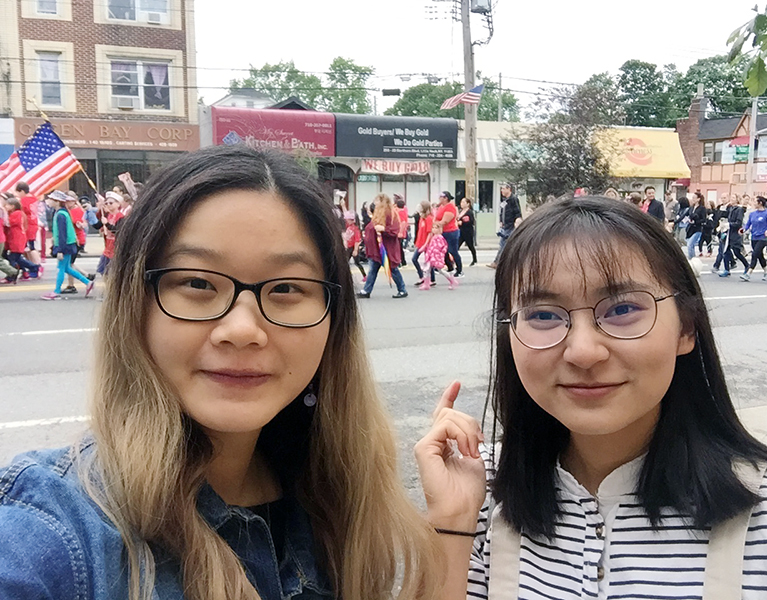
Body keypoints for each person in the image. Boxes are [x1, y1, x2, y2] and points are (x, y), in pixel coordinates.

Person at [0, 146, 442, 599]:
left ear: (335, 321)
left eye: (287, 287)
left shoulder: (340, 500)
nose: (243, 330)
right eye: (197, 283)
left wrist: (453, 522)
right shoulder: (55, 524)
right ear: (134, 306)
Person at [415, 196, 767, 600]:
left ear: (686, 328)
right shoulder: (479, 493)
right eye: (543, 315)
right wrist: (451, 521)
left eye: (623, 309)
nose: (583, 351)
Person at [40, 191, 95, 300]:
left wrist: (60, 249)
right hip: (69, 244)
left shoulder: (60, 214)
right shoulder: (62, 212)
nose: (49, 201)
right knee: (67, 268)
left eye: (51, 199)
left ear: (57, 202)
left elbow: (62, 234)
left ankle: (56, 291)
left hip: (65, 245)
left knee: (61, 267)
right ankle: (88, 282)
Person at [357, 193, 408, 299]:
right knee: (373, 270)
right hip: (377, 247)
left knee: (393, 269)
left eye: (377, 201)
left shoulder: (391, 214)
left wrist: (384, 229)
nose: (375, 203)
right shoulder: (378, 213)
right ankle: (366, 290)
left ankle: (402, 289)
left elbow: (394, 230)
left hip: (386, 248)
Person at [740, 196, 767, 281]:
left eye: (755, 201)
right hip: (754, 237)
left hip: (763, 237)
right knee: (759, 255)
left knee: (754, 254)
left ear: (760, 203)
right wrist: (744, 229)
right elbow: (748, 224)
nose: (753, 203)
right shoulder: (753, 214)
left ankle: (748, 273)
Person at [4, 197, 39, 280]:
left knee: (13, 258)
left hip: (17, 238)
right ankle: (29, 269)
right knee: (18, 258)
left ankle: (12, 275)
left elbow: (9, 222)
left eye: (7, 205)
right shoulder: (19, 213)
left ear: (12, 206)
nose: (6, 207)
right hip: (17, 238)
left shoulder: (17, 214)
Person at [488, 183, 521, 269]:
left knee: (506, 244)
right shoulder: (504, 200)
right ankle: (498, 262)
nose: (501, 191)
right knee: (503, 244)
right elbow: (502, 212)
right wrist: (501, 221)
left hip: (511, 226)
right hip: (505, 225)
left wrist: (517, 221)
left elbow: (517, 212)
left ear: (509, 189)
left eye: (503, 189)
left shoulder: (513, 199)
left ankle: (500, 262)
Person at [418, 222, 458, 291]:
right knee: (427, 270)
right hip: (431, 256)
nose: (433, 229)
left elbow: (440, 248)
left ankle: (452, 280)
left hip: (436, 256)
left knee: (440, 270)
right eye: (433, 228)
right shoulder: (434, 237)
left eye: (435, 228)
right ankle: (426, 284)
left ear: (439, 229)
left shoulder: (439, 238)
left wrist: (436, 254)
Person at [14, 181, 42, 269]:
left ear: (22, 191)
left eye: (18, 192)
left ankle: (37, 265)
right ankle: (33, 266)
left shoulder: (23, 200)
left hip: (28, 225)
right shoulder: (34, 198)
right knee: (29, 247)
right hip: (34, 223)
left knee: (31, 248)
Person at [435, 191, 462, 277]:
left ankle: (459, 270)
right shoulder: (441, 207)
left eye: (441, 197)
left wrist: (436, 224)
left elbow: (445, 221)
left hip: (451, 232)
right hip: (443, 232)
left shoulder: (450, 207)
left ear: (446, 198)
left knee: (453, 251)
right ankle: (450, 267)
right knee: (443, 251)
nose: (439, 198)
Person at [412, 200, 436, 287]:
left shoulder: (428, 218)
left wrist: (426, 244)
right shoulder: (422, 218)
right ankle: (422, 276)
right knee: (416, 259)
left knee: (427, 260)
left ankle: (431, 279)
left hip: (426, 243)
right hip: (420, 242)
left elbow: (429, 232)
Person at [342, 210, 366, 281]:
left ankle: (364, 275)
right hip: (348, 247)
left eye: (348, 220)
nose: (347, 221)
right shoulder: (348, 226)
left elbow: (357, 240)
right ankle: (345, 277)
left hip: (353, 247)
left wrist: (355, 250)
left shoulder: (356, 229)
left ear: (352, 220)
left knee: (357, 263)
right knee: (345, 262)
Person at [685, 192, 707, 259]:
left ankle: (692, 259)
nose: (693, 199)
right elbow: (686, 215)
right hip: (690, 229)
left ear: (698, 199)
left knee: (690, 245)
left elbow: (704, 219)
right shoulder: (691, 208)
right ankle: (693, 259)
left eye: (694, 198)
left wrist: (695, 222)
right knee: (691, 246)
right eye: (692, 198)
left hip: (697, 229)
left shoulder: (702, 208)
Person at [457, 197, 477, 267]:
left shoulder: (469, 212)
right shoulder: (460, 211)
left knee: (470, 245)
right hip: (461, 232)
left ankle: (474, 259)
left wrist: (462, 223)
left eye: (463, 202)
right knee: (457, 246)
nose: (461, 204)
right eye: (461, 202)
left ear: (468, 204)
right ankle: (453, 260)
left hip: (468, 231)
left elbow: (471, 221)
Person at [394, 194, 409, 267]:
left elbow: (403, 222)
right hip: (399, 231)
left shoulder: (401, 212)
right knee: (399, 247)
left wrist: (400, 232)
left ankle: (401, 261)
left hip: (400, 232)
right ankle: (402, 261)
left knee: (398, 247)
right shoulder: (401, 211)